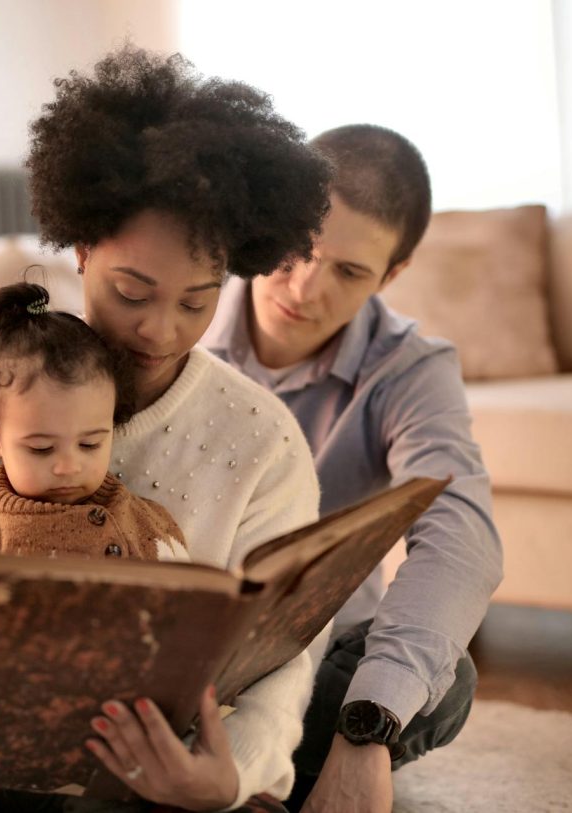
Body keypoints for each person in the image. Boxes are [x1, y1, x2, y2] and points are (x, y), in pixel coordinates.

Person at [0, 46, 334, 812]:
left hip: (153, 750)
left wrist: (236, 771)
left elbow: (284, 646)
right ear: (82, 250)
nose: (160, 329)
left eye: (197, 301)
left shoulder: (262, 437)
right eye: (132, 290)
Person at [201, 124, 504, 813]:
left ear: (391, 276)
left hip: (309, 666)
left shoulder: (408, 367)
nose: (304, 289)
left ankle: (288, 761)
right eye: (300, 248)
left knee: (443, 676)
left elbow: (464, 537)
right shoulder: (177, 313)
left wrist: (366, 728)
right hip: (167, 659)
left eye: (349, 271)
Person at [0, 281, 190, 811]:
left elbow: (183, 628)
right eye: (40, 447)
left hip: (94, 739)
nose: (67, 465)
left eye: (90, 443)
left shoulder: (148, 530)